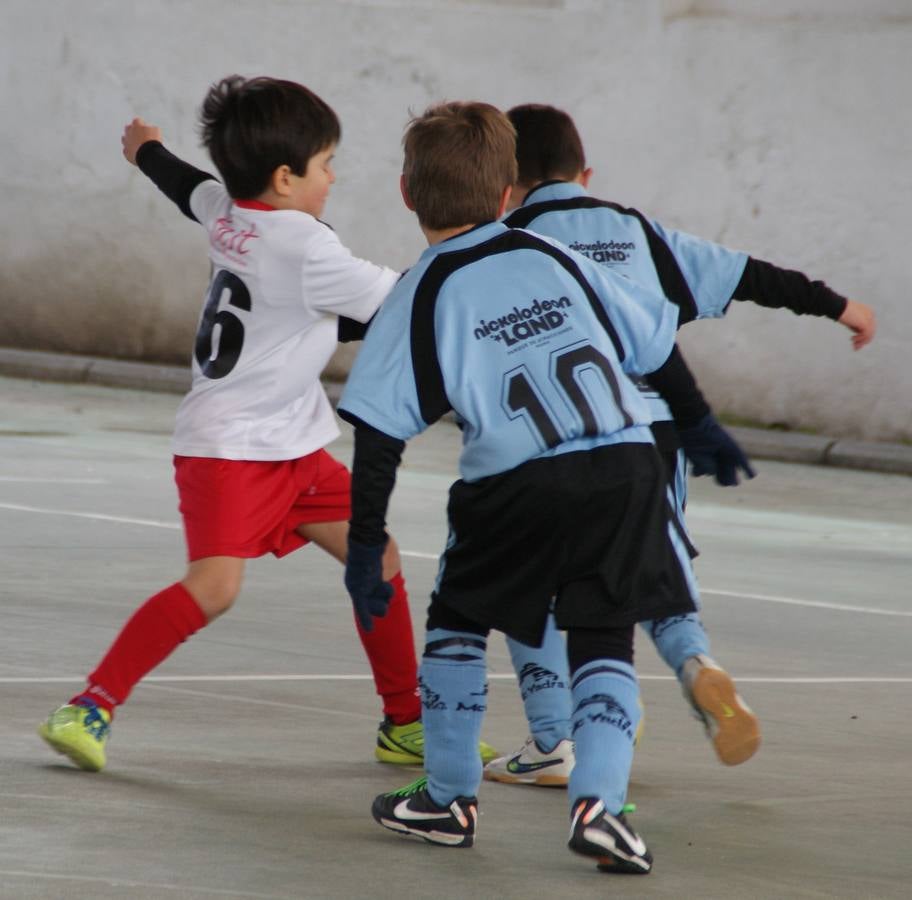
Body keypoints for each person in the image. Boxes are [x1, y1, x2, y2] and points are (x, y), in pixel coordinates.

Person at [338, 101, 753, 874]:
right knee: (605, 635)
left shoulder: (422, 291)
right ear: (507, 197)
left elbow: (379, 433)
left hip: (519, 480)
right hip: (630, 465)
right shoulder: (559, 257)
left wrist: (365, 546)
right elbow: (655, 346)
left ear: (404, 193)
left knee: (458, 620)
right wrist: (698, 427)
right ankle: (600, 806)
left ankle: (448, 797)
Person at [37, 75, 495, 773]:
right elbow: (411, 300)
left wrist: (145, 151)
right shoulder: (307, 248)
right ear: (285, 178)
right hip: (230, 446)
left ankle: (404, 720)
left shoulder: (229, 211)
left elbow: (184, 185)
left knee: (380, 558)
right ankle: (91, 704)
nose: (333, 177)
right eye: (326, 165)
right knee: (215, 588)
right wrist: (497, 262)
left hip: (294, 442)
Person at [481, 103, 876, 787]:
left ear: (506, 186)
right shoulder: (638, 230)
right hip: (653, 436)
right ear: (586, 172)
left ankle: (553, 740)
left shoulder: (506, 239)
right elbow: (748, 273)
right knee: (653, 580)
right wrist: (839, 305)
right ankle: (698, 666)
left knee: (530, 583)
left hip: (549, 439)